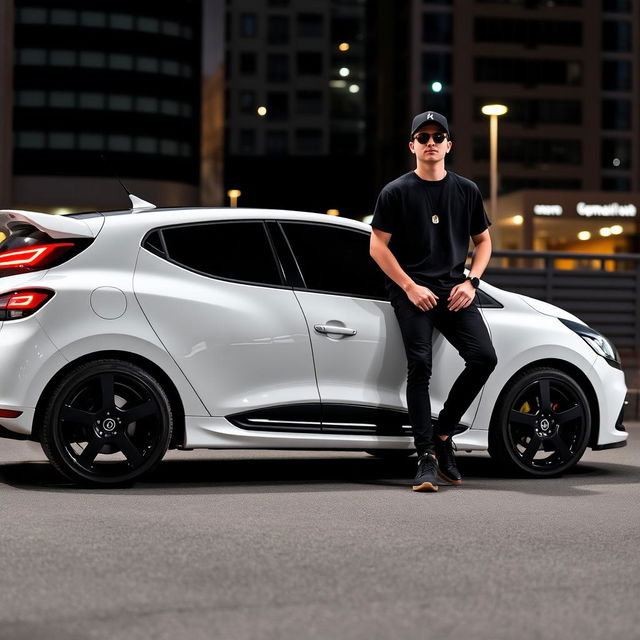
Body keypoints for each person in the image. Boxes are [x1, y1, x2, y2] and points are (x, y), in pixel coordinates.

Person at [370, 110, 497, 492]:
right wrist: (409, 287)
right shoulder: (396, 191)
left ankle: (443, 436)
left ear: (448, 145)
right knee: (420, 367)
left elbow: (484, 241)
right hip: (413, 291)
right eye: (422, 137)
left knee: (484, 358)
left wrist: (472, 282)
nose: (430, 143)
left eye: (437, 137)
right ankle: (425, 455)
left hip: (454, 288)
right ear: (412, 145)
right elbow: (377, 246)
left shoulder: (466, 190)